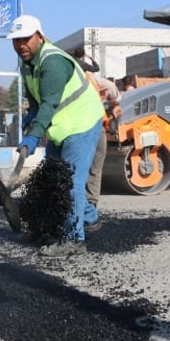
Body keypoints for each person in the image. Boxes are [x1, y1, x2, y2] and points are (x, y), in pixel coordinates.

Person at [9, 14, 105, 257]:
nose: (20, 45)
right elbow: (35, 97)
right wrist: (32, 114)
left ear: (39, 37)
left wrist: (33, 136)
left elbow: (50, 103)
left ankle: (74, 241)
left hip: (81, 123)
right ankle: (90, 218)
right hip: (60, 127)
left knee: (69, 183)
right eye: (16, 40)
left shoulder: (52, 62)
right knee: (54, 180)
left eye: (25, 39)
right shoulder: (25, 63)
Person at [72, 49, 121, 232]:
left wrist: (115, 106)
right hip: (87, 129)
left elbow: (113, 94)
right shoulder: (93, 79)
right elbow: (112, 92)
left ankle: (88, 208)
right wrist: (115, 104)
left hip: (90, 129)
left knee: (87, 169)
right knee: (89, 170)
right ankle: (87, 207)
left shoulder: (87, 80)